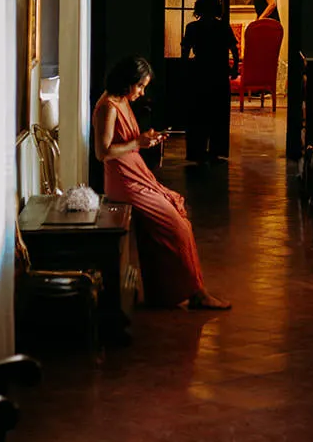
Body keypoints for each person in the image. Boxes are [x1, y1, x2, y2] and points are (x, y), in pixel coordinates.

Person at [94, 55, 231, 309]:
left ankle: (167, 292)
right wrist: (138, 143)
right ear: (127, 81)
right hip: (124, 182)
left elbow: (128, 142)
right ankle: (196, 293)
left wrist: (149, 139)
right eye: (140, 86)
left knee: (177, 220)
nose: (141, 92)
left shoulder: (122, 100)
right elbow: (102, 153)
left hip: (136, 173)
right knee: (178, 227)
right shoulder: (108, 107)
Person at [180, 0, 239, 164]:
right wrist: (234, 67)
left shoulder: (192, 27)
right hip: (219, 73)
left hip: (199, 73)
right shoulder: (223, 27)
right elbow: (234, 50)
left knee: (197, 114)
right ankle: (216, 150)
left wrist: (184, 70)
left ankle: (196, 151)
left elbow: (185, 51)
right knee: (218, 115)